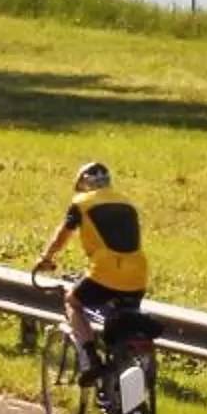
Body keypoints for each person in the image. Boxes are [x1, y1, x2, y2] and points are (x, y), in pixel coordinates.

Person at [32, 159, 147, 371]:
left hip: (104, 271)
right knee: (125, 319)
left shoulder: (82, 203)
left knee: (73, 302)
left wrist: (46, 258)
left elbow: (62, 236)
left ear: (84, 183)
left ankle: (90, 357)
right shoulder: (127, 203)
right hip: (139, 273)